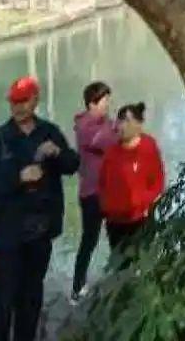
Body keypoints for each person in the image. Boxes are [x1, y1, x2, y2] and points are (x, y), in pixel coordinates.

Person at [0, 76, 79, 341]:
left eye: (23, 101)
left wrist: (58, 153)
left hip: (40, 233)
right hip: (5, 237)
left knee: (31, 299)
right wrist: (18, 177)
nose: (18, 107)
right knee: (1, 303)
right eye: (14, 102)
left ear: (35, 100)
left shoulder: (49, 132)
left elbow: (73, 165)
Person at [71, 82, 117, 302]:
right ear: (92, 104)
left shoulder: (105, 122)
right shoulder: (84, 127)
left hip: (110, 191)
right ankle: (77, 287)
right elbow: (108, 141)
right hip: (91, 194)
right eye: (104, 101)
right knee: (89, 240)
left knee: (117, 235)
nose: (107, 105)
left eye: (108, 101)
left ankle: (122, 277)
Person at [97, 104, 165, 252]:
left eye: (127, 121)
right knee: (119, 261)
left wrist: (145, 203)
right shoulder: (111, 152)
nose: (122, 125)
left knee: (141, 258)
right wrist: (104, 207)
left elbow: (158, 182)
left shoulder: (148, 147)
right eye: (120, 121)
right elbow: (102, 183)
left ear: (138, 124)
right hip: (115, 222)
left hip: (140, 219)